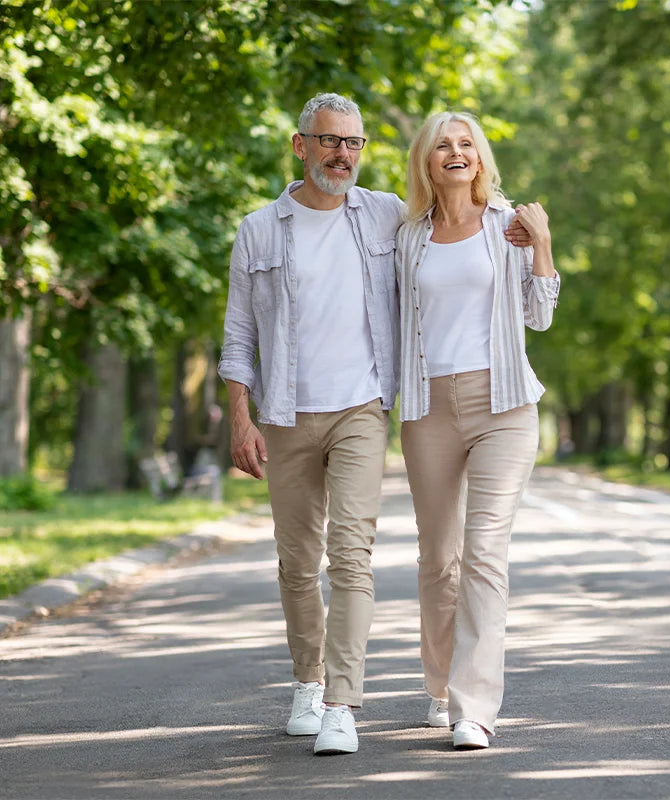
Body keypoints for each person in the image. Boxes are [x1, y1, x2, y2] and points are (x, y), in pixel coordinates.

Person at [218, 93, 532, 757]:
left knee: (358, 555)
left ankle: (346, 703)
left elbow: (507, 278)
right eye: (330, 141)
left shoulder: (393, 214)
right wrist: (238, 417)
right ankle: (313, 682)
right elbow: (240, 332)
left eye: (354, 143)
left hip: (371, 406)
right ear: (300, 146)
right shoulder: (269, 229)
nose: (343, 154)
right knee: (306, 561)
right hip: (295, 410)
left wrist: (538, 243)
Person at [395, 111, 559, 750]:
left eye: (467, 144)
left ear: (480, 158)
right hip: (429, 406)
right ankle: (440, 687)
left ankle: (475, 707)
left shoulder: (509, 225)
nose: (456, 153)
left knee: (484, 552)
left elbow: (539, 317)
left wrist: (543, 243)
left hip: (505, 405)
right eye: (443, 146)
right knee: (440, 559)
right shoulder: (408, 236)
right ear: (426, 163)